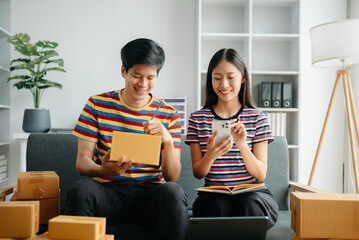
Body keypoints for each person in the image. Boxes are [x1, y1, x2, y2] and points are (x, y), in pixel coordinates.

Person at [65, 38, 188, 240]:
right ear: (124, 71)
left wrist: (166, 140)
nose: (143, 84)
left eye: (151, 77)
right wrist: (102, 169)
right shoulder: (97, 104)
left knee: (173, 192)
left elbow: (172, 177)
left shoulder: (169, 114)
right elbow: (82, 162)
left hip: (150, 196)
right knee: (81, 189)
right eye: (137, 76)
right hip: (108, 193)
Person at [185, 48, 278, 228]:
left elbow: (260, 174)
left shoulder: (257, 117)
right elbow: (198, 173)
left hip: (254, 195)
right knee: (216, 205)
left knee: (247, 202)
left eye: (230, 77)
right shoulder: (197, 119)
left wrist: (242, 145)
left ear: (243, 78)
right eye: (217, 78)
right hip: (214, 195)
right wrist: (210, 155)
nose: (224, 84)